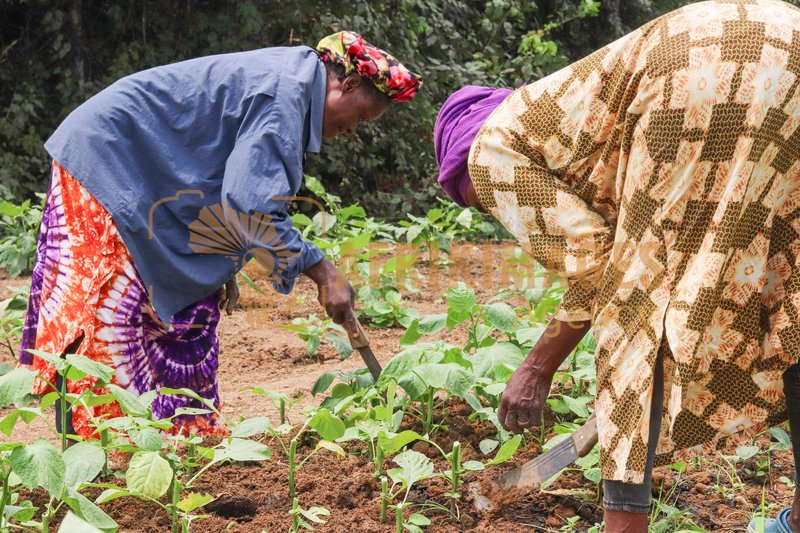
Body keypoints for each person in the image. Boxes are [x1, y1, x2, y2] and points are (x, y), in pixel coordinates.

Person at [434, 1, 800, 531]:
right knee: (787, 284)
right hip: (783, 37)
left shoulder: (489, 152)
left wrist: (538, 365)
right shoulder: (568, 125)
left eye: (474, 203)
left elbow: (598, 268)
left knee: (635, 308)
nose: (490, 213)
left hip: (702, 67)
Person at [20, 31, 421, 440]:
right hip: (108, 161)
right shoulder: (284, 95)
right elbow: (251, 204)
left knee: (191, 314)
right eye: (360, 117)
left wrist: (222, 258)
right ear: (348, 84)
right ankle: (99, 450)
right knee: (112, 307)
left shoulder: (292, 83)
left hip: (144, 172)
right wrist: (322, 272)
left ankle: (180, 441)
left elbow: (217, 169)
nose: (353, 130)